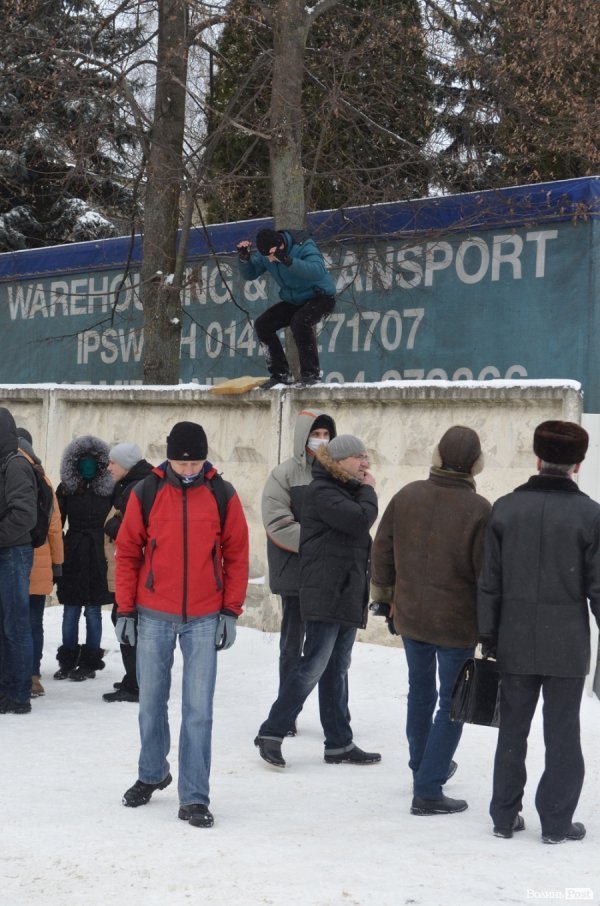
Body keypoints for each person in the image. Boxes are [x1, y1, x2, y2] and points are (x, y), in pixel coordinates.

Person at [116, 421, 249, 829]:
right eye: (181, 462)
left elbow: (236, 554)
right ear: (169, 458)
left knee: (198, 710)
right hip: (154, 614)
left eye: (195, 463)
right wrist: (125, 610)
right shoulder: (146, 492)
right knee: (151, 703)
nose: (189, 470)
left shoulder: (222, 494)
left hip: (205, 618)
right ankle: (152, 772)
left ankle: (194, 796)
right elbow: (127, 552)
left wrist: (230, 610)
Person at [478, 420, 600, 844]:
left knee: (512, 729)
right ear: (578, 465)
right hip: (567, 642)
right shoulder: (591, 515)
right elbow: (599, 586)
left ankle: (504, 815)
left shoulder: (505, 508)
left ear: (537, 460)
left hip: (513, 637)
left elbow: (489, 581)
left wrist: (488, 634)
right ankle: (556, 822)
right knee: (563, 732)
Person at [371, 426, 491, 816]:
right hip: (456, 624)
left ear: (436, 455)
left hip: (410, 617)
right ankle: (428, 787)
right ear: (476, 464)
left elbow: (381, 549)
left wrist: (384, 598)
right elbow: (485, 574)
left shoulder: (407, 495)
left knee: (419, 694)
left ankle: (421, 767)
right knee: (452, 704)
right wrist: (490, 625)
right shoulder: (479, 510)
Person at [255, 434, 381, 768]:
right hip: (326, 592)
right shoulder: (323, 491)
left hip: (346, 592)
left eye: (366, 456)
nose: (366, 463)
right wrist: (369, 489)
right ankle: (271, 732)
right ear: (338, 462)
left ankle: (339, 743)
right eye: (359, 457)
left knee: (337, 668)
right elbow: (360, 520)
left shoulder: (345, 491)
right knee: (312, 665)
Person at [261, 408, 337, 729]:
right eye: (315, 434)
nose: (321, 440)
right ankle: (286, 714)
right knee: (292, 646)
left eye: (326, 434)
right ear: (303, 436)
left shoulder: (338, 471)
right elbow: (278, 523)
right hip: (295, 571)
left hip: (330, 574)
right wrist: (319, 544)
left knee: (332, 652)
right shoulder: (284, 474)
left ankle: (335, 718)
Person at [236, 228, 336, 389]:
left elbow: (317, 271)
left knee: (300, 322)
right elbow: (250, 274)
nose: (270, 259)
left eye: (271, 255)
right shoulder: (266, 254)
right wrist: (244, 259)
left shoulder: (303, 245)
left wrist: (287, 260)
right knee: (263, 325)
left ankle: (311, 375)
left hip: (321, 297)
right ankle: (280, 374)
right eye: (266, 256)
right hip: (295, 300)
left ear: (281, 246)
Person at [54, 435, 114, 681]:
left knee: (92, 610)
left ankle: (89, 662)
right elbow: (56, 522)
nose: (87, 467)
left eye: (92, 463)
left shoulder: (109, 490)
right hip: (73, 553)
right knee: (71, 610)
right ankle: (68, 660)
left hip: (98, 555)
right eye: (83, 463)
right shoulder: (66, 488)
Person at [102, 442, 154, 703]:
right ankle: (134, 678)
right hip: (136, 568)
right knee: (125, 620)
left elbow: (131, 531)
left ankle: (136, 684)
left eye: (113, 462)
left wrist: (112, 526)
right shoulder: (134, 483)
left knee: (126, 620)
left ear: (126, 464)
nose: (108, 467)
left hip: (138, 569)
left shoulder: (137, 488)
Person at [16, 427, 64, 698]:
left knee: (10, 621)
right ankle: (33, 676)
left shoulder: (8, 472)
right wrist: (57, 564)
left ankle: (13, 673)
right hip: (41, 559)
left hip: (12, 557)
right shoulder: (43, 478)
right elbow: (54, 527)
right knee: (34, 622)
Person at [0, 408, 37, 714]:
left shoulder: (15, 465)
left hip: (13, 553)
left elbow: (24, 515)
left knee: (16, 626)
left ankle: (19, 694)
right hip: (6, 550)